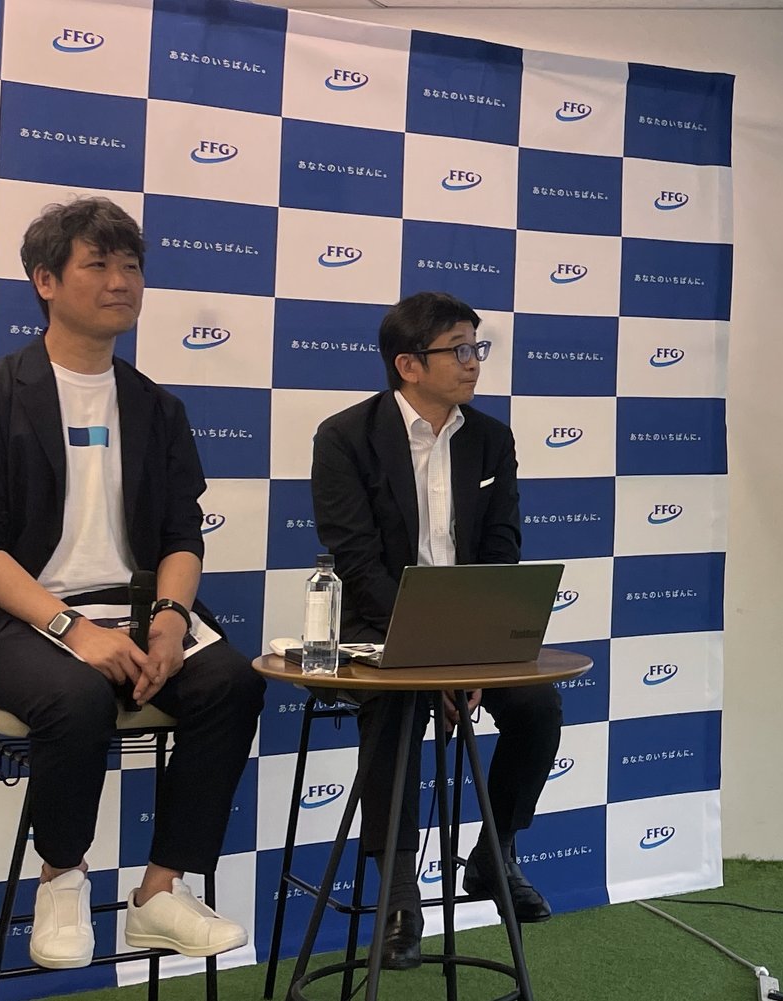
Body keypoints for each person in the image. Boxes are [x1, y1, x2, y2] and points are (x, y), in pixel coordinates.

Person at [0, 197, 262, 969]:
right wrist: (72, 630)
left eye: (131, 265)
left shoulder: (155, 406)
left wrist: (170, 619)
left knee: (232, 682)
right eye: (98, 264)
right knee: (76, 694)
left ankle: (161, 892)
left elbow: (181, 535)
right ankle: (62, 876)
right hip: (17, 615)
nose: (121, 282)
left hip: (136, 608)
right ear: (46, 280)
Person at [310, 292, 564, 969]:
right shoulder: (344, 438)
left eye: (477, 347)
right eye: (459, 349)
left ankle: (494, 853)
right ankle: (399, 897)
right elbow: (357, 562)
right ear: (408, 364)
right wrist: (433, 658)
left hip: (472, 631)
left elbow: (502, 549)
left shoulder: (490, 438)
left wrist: (470, 655)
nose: (473, 361)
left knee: (538, 704)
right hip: (379, 627)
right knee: (394, 711)